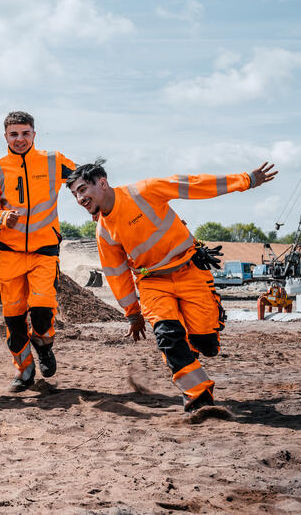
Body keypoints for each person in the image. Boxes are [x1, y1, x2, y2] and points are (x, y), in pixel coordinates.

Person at [66, 159, 277, 411]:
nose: (79, 199)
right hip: (152, 283)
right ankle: (199, 397)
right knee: (167, 336)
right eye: (74, 195)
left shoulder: (144, 191)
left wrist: (246, 180)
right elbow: (116, 274)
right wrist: (133, 313)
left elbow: (194, 185)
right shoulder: (103, 232)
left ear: (102, 183)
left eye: (82, 190)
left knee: (206, 344)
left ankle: (191, 343)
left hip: (190, 271)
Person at [0, 111, 77, 392]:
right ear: (6, 136)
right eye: (14, 134)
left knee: (43, 312)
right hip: (9, 253)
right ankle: (24, 371)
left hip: (44, 250)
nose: (20, 139)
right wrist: (0, 218)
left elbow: (82, 180)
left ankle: (44, 345)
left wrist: (97, 204)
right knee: (14, 321)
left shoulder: (53, 161)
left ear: (34, 134)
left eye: (25, 133)